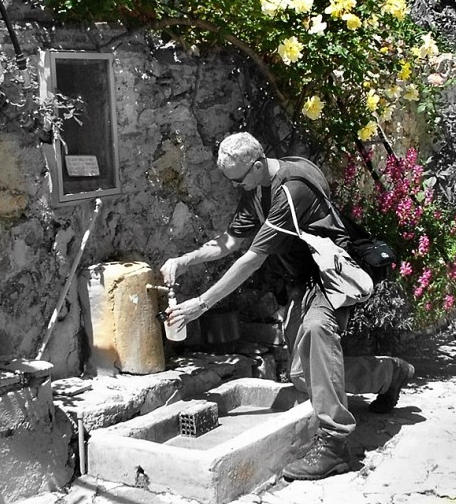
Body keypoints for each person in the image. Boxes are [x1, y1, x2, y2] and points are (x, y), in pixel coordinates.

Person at [161, 132, 414, 481]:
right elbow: (232, 240)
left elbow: (250, 259)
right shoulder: (256, 188)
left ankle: (335, 443)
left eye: (238, 179)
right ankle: (389, 373)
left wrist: (200, 305)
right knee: (301, 374)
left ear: (258, 163)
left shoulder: (290, 190)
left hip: (330, 276)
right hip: (301, 281)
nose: (236, 187)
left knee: (316, 331)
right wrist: (185, 260)